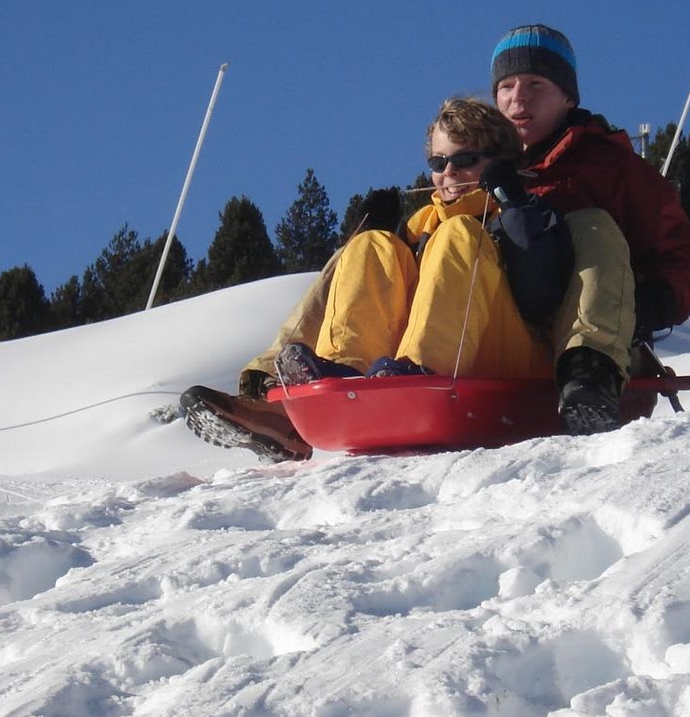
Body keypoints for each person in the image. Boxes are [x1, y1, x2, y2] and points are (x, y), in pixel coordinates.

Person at [181, 97, 570, 461]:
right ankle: (344, 372)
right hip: (418, 368)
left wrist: (514, 204)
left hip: (511, 360)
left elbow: (543, 294)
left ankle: (420, 370)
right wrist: (376, 233)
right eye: (438, 162)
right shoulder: (419, 231)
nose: (449, 172)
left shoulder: (522, 213)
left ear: (500, 162)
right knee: (374, 244)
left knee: (459, 234)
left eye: (466, 159)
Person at [489, 24, 690, 433]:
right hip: (498, 339)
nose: (517, 97)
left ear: (567, 96)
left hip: (593, 342)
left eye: (536, 83)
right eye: (506, 85)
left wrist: (644, 306)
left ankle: (590, 376)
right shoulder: (473, 170)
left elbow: (687, 261)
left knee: (591, 226)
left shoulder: (610, 168)